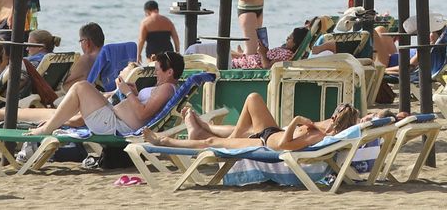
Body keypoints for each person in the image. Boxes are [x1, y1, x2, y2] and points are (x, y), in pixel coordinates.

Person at [0, 50, 185, 136]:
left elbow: (142, 114)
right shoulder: (163, 88)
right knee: (46, 114)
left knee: (79, 87)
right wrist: (130, 91)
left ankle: (46, 129)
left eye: (158, 69)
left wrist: (127, 93)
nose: (155, 72)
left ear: (169, 70)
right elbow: (142, 108)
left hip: (116, 125)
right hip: (113, 116)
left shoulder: (166, 88)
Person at [141, 95, 362, 152]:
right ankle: (200, 125)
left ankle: (164, 140)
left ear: (336, 118)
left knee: (211, 143)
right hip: (271, 131)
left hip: (265, 144)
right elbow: (361, 121)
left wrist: (296, 122)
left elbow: (283, 146)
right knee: (254, 98)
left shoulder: (320, 136)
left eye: (336, 111)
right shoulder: (326, 127)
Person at [63, 23, 104, 88]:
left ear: (86, 42)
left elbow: (65, 82)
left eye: (81, 41)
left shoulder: (87, 58)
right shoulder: (108, 54)